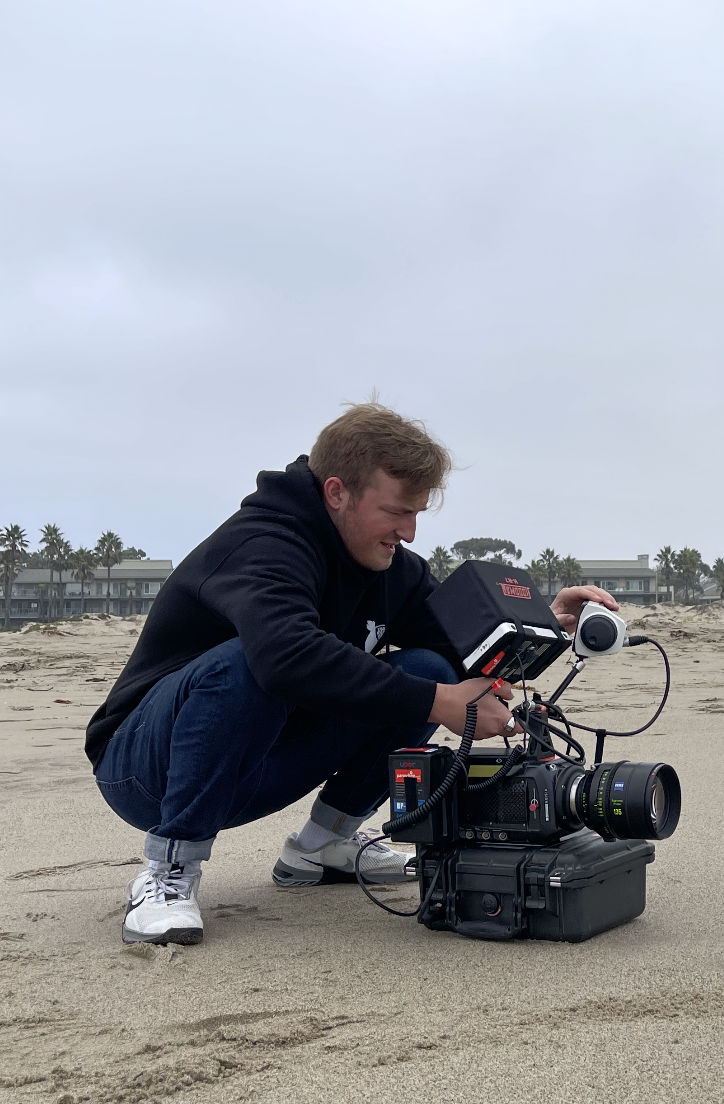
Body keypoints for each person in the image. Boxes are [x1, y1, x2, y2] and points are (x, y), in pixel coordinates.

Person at [86, 403, 619, 947]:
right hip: (146, 770)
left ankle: (322, 845)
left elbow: (458, 649)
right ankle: (168, 871)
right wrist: (438, 703)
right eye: (396, 512)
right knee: (255, 662)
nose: (409, 532)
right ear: (337, 492)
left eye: (416, 514)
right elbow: (285, 657)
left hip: (257, 765)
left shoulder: (389, 567)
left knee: (426, 669)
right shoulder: (264, 544)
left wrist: (541, 625)